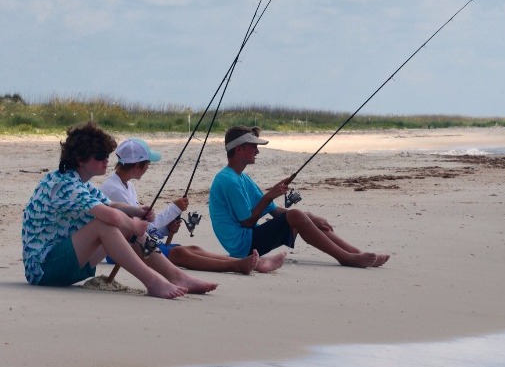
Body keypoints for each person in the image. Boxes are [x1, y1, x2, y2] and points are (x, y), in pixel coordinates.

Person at [21, 121, 218, 299]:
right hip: (44, 269)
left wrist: (137, 211)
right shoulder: (65, 185)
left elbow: (111, 205)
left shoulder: (77, 180)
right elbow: (112, 215)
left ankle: (177, 276)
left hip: (66, 265)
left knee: (119, 223)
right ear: (80, 159)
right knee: (105, 225)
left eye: (107, 155)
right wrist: (133, 225)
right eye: (100, 157)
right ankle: (153, 282)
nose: (106, 161)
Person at [209, 126, 390, 268]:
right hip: (241, 246)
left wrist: (309, 217)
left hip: (248, 238)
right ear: (240, 149)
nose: (257, 151)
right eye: (254, 146)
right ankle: (346, 258)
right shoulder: (228, 180)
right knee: (295, 216)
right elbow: (246, 222)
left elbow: (274, 212)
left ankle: (356, 253)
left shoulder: (242, 177)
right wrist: (269, 196)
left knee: (301, 216)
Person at [101, 138, 285, 275]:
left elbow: (144, 228)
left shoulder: (126, 185)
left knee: (192, 249)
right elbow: (141, 227)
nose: (148, 167)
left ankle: (246, 262)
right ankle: (237, 265)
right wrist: (173, 209)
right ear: (138, 165)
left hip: (138, 244)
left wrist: (166, 229)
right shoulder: (114, 190)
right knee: (181, 253)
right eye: (148, 163)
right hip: (121, 250)